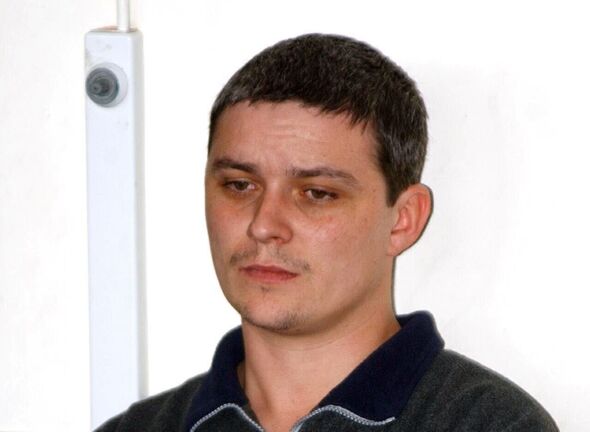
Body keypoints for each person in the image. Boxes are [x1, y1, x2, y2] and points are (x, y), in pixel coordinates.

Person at [96, 33, 558, 432]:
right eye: (239, 185)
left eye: (316, 193)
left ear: (403, 220)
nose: (263, 225)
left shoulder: (490, 424)